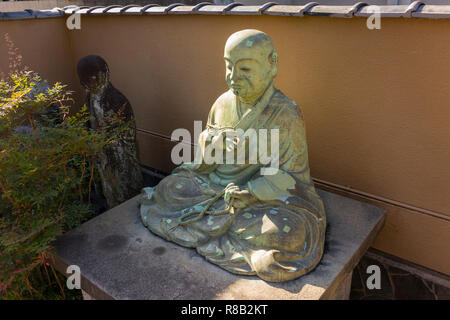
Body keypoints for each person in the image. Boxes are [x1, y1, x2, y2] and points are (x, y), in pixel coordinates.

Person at [140, 30, 326, 282]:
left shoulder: (286, 113)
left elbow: (291, 175)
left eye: (245, 69)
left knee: (290, 233)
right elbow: (202, 158)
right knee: (169, 188)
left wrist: (251, 193)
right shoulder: (222, 104)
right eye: (229, 67)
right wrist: (214, 144)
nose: (234, 77)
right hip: (213, 187)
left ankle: (208, 230)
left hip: (259, 201)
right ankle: (222, 234)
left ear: (272, 65)